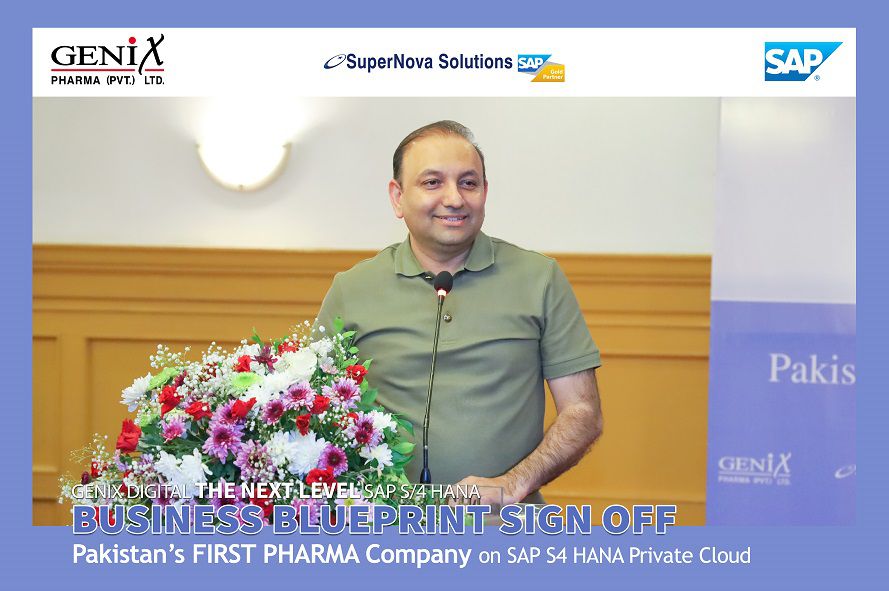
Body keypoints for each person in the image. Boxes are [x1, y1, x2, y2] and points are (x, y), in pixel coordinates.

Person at [315, 120, 603, 505]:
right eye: (432, 182)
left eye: (469, 183)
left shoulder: (539, 279)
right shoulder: (352, 289)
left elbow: (582, 411)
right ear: (398, 197)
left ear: (485, 192)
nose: (454, 198)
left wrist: (513, 483)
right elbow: (313, 413)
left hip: (504, 527)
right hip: (384, 524)